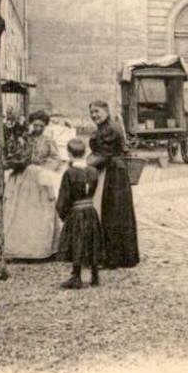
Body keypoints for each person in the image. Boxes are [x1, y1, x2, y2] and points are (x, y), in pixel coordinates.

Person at [87, 99, 139, 268]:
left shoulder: (110, 128)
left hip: (114, 174)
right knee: (109, 213)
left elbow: (105, 154)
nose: (94, 115)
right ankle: (113, 255)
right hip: (108, 171)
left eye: (97, 112)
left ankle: (113, 258)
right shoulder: (105, 127)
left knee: (112, 214)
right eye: (92, 113)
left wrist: (85, 163)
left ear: (106, 111)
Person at [3, 132, 60, 260]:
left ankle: (41, 250)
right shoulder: (23, 139)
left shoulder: (48, 140)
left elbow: (55, 158)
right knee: (20, 211)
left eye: (41, 125)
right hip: (21, 177)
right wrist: (16, 163)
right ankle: (18, 250)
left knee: (40, 213)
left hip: (40, 178)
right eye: (35, 125)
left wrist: (44, 170)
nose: (37, 128)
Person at [56, 138, 103, 289]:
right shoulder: (93, 171)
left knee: (77, 242)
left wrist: (63, 214)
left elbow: (64, 198)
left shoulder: (69, 173)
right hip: (90, 210)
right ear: (85, 153)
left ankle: (76, 277)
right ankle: (95, 275)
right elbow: (93, 191)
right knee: (91, 241)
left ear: (69, 154)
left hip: (76, 212)